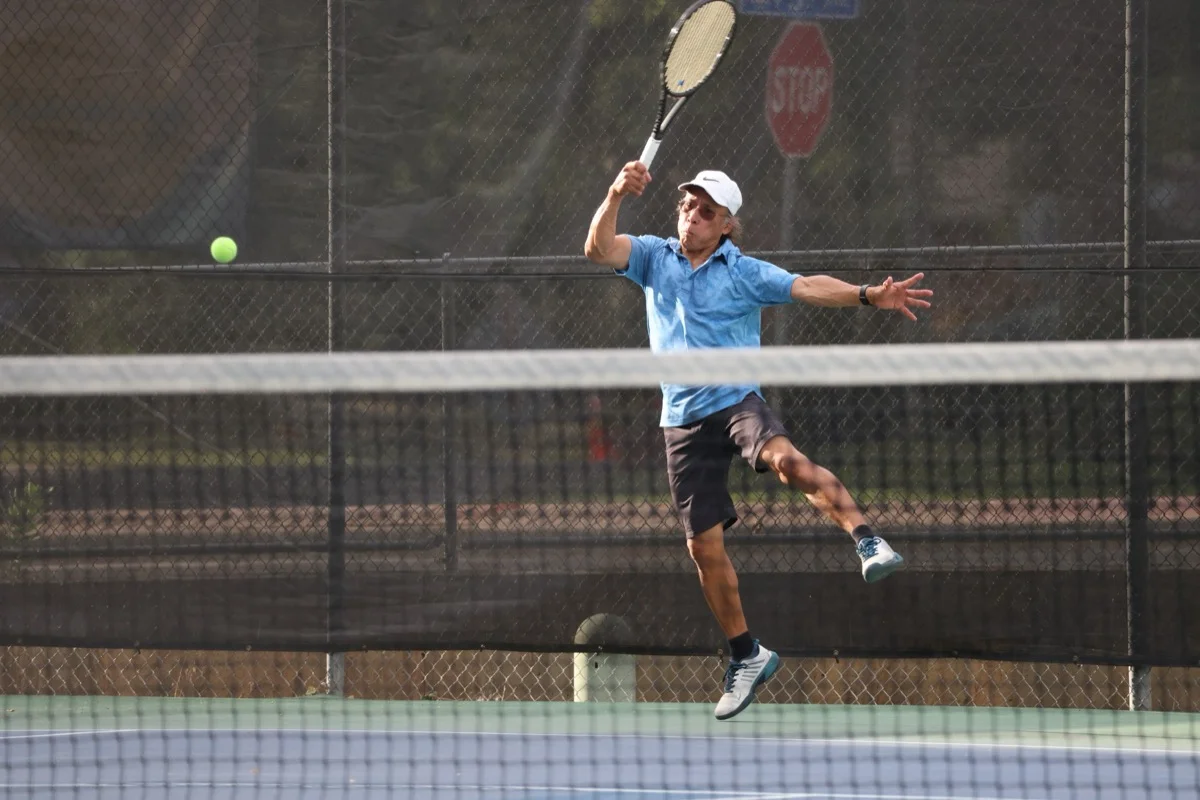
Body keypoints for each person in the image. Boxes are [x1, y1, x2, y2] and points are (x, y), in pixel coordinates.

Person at [583, 161, 933, 721]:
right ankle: (747, 655)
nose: (691, 216)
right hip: (680, 421)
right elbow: (598, 249)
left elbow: (806, 287)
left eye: (706, 211)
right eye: (687, 205)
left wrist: (869, 295)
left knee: (786, 462)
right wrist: (614, 193)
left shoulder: (741, 272)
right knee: (702, 547)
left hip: (735, 403)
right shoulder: (653, 256)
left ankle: (866, 539)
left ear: (726, 225)